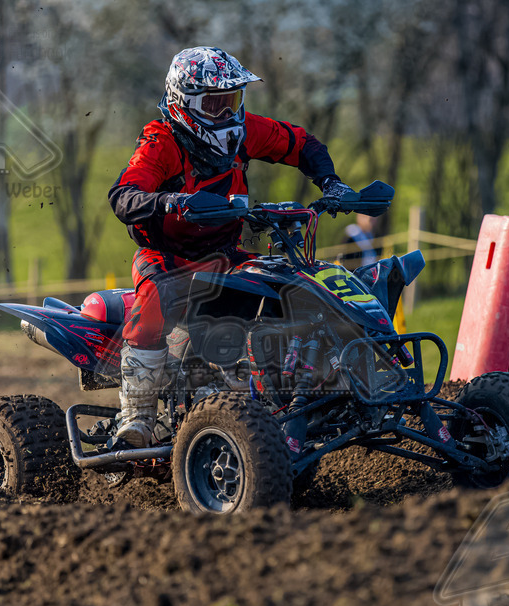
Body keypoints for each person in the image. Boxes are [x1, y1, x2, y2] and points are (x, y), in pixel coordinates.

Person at [108, 46, 352, 448]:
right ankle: (137, 416)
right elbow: (123, 196)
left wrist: (331, 182)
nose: (226, 114)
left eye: (232, 101)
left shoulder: (245, 132)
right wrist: (171, 201)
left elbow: (301, 144)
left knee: (293, 284)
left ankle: (309, 386)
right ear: (184, 103)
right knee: (153, 298)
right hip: (168, 257)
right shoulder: (162, 140)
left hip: (226, 252)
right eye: (214, 103)